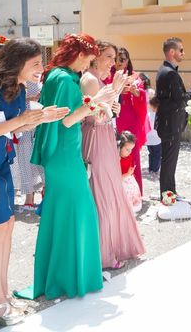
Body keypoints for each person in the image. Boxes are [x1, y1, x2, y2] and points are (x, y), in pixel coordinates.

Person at [0, 39, 69, 325]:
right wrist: (22, 119)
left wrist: (41, 118)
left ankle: (1, 295)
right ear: (16, 62)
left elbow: (16, 125)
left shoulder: (18, 89)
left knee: (6, 228)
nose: (40, 69)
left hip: (1, 165)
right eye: (35, 63)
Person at [21, 33, 117, 301]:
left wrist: (95, 105)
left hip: (64, 153)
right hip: (64, 154)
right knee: (80, 210)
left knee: (61, 214)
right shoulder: (63, 78)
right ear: (78, 53)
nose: (89, 64)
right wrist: (98, 101)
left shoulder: (58, 76)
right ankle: (71, 277)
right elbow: (64, 120)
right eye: (88, 57)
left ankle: (63, 276)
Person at [81, 41, 145, 268]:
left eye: (114, 57)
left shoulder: (99, 80)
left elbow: (105, 112)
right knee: (102, 192)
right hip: (96, 138)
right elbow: (95, 117)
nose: (113, 62)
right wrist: (115, 91)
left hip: (105, 136)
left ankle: (113, 247)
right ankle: (103, 254)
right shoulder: (89, 79)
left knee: (111, 190)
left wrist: (113, 103)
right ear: (95, 56)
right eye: (108, 56)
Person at [155, 38, 190, 198]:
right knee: (169, 162)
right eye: (181, 50)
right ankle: (168, 195)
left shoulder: (165, 70)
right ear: (172, 52)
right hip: (170, 125)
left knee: (169, 162)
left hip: (168, 124)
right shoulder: (169, 73)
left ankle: (170, 192)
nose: (183, 53)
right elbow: (180, 98)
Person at [114, 47, 148, 196]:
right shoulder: (108, 75)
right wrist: (116, 90)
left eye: (124, 59)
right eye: (118, 59)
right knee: (114, 155)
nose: (121, 62)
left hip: (130, 120)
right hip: (114, 119)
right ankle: (116, 192)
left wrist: (135, 92)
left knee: (131, 155)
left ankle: (135, 193)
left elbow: (142, 95)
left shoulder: (134, 77)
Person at [10, 79, 45, 210]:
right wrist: (29, 98)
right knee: (24, 159)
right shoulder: (17, 77)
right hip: (23, 122)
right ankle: (29, 196)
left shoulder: (43, 77)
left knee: (41, 158)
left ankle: (46, 191)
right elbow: (11, 101)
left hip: (41, 121)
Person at [119, 131, 142, 214]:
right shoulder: (118, 159)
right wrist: (128, 174)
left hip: (129, 181)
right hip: (122, 185)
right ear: (119, 147)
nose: (129, 152)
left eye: (131, 149)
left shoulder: (129, 156)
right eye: (127, 149)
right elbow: (117, 177)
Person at [146, 95, 161, 174]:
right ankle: (155, 170)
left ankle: (151, 168)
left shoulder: (148, 114)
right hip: (157, 140)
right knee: (157, 155)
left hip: (148, 140)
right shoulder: (159, 116)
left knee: (151, 154)